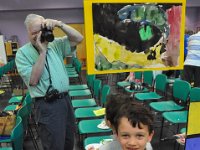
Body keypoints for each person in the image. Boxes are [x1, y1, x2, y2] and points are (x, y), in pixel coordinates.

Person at [15, 14, 83, 150]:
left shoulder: (55, 44)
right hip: (47, 105)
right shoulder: (22, 54)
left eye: (41, 31)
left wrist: (59, 24)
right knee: (54, 145)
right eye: (34, 33)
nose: (38, 36)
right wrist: (42, 52)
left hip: (65, 101)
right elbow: (33, 81)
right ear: (27, 32)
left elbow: (78, 38)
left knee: (69, 142)